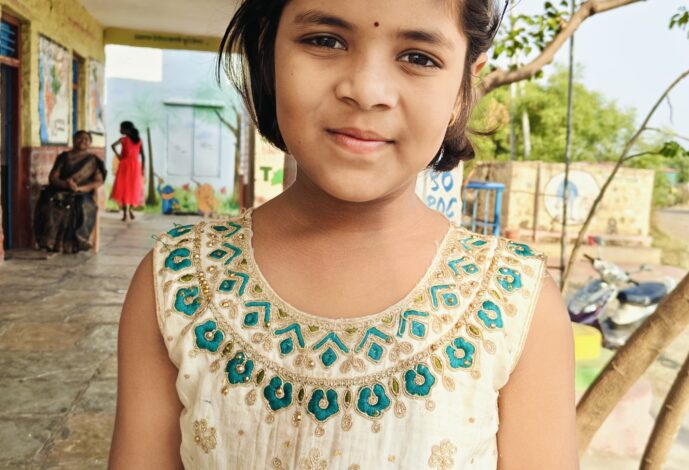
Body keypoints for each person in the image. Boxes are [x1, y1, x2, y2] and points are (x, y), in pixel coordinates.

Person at [109, 1, 578, 469]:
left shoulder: (517, 305)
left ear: (463, 87)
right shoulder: (177, 283)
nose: (367, 91)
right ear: (268, 51)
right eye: (325, 41)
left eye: (418, 57)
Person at [34, 130, 106, 253]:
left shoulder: (93, 160)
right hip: (61, 188)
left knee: (82, 205)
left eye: (86, 139)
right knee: (49, 203)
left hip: (83, 192)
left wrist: (80, 188)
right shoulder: (63, 157)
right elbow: (53, 177)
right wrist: (66, 184)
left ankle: (79, 242)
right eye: (79, 138)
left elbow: (98, 181)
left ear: (90, 143)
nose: (82, 141)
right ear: (73, 140)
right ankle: (49, 242)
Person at [110, 121, 145, 221]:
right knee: (129, 189)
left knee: (127, 189)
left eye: (121, 128)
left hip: (126, 165)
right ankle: (127, 211)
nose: (120, 130)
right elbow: (143, 156)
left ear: (127, 130)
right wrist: (143, 168)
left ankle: (128, 211)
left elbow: (112, 146)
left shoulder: (125, 140)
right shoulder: (135, 140)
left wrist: (118, 155)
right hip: (133, 166)